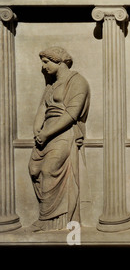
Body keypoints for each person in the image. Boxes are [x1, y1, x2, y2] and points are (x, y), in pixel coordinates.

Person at [28, 46, 90, 232]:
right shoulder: (51, 85)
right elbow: (42, 109)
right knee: (34, 169)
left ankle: (49, 220)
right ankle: (50, 214)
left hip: (63, 133)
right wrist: (38, 129)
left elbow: (72, 113)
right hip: (45, 133)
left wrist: (47, 133)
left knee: (49, 170)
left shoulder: (77, 81)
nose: (43, 66)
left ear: (59, 61)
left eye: (46, 62)